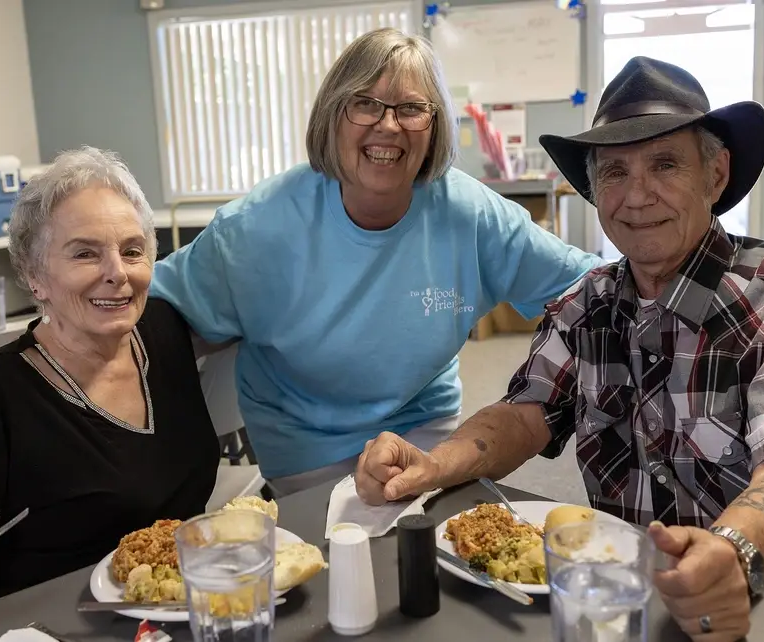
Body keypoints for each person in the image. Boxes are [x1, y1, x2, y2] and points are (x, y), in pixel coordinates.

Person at [355, 57, 764, 642]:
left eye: (665, 164)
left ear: (715, 175)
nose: (637, 196)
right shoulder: (586, 303)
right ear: (593, 191)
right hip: (628, 597)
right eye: (615, 173)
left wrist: (734, 552)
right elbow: (524, 416)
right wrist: (432, 465)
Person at [149, 27, 601, 495]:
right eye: (365, 103)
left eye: (411, 109)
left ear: (435, 125)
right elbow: (146, 313)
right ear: (332, 115)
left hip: (424, 431)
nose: (388, 125)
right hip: (307, 448)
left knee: (441, 556)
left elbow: (590, 288)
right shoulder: (256, 228)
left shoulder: (471, 214)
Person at [0, 147, 219, 634]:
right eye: (85, 253)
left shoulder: (164, 331)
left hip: (172, 618)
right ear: (33, 275)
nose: (117, 272)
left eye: (132, 250)